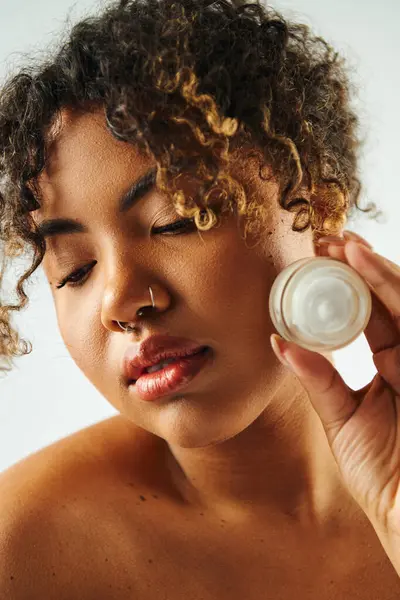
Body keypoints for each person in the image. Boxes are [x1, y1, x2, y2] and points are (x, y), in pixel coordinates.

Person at [0, 0, 399, 598]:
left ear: (313, 204)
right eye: (75, 270)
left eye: (174, 222)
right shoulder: (22, 553)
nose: (120, 300)